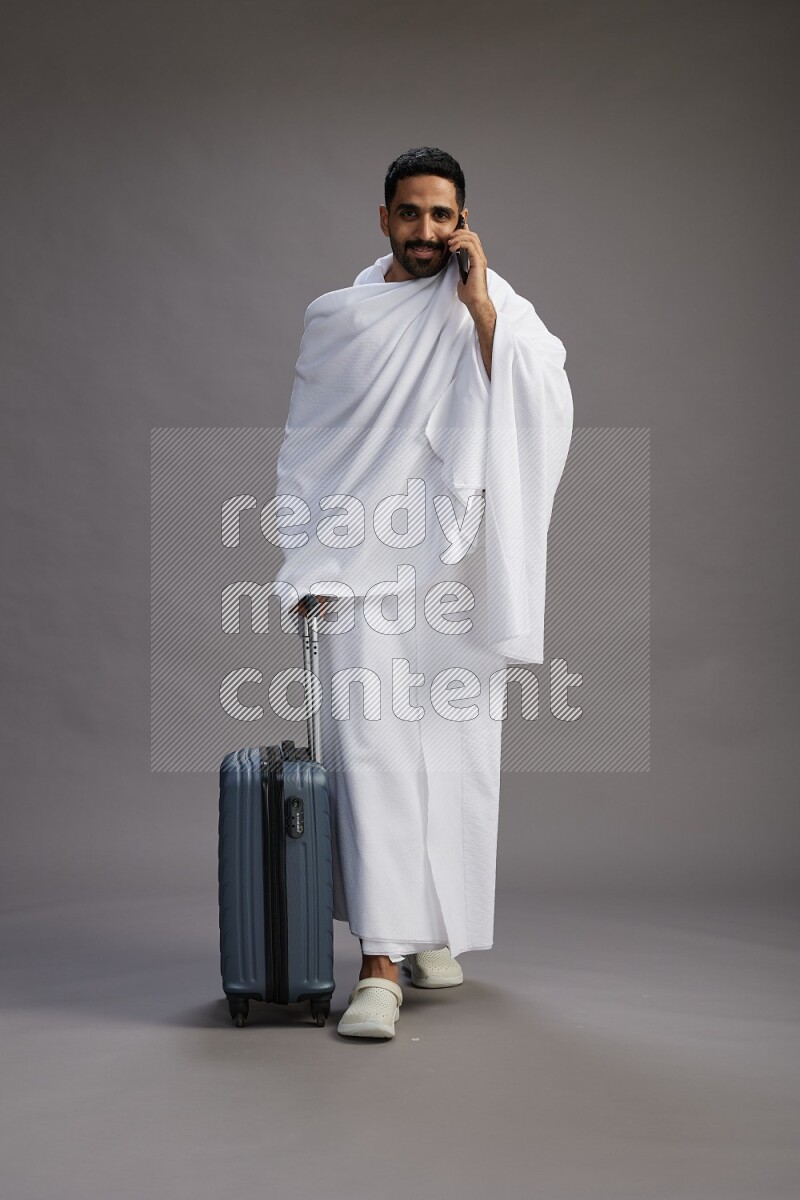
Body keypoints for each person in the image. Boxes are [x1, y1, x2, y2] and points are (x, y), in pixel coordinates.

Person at [271, 147, 573, 1039]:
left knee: (454, 754)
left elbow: (545, 402)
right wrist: (307, 561)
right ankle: (379, 962)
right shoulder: (342, 319)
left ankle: (431, 929)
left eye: (443, 215)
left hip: (454, 572)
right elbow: (309, 449)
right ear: (385, 219)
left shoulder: (496, 306)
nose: (427, 231)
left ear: (463, 221)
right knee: (371, 759)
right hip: (360, 569)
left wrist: (480, 312)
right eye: (411, 213)